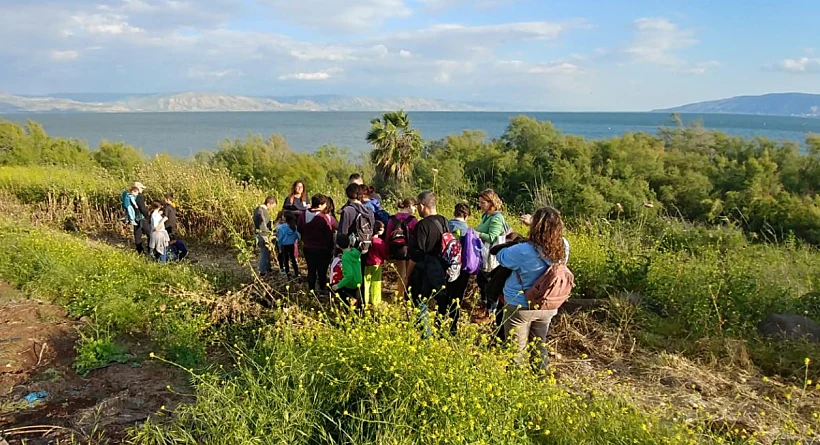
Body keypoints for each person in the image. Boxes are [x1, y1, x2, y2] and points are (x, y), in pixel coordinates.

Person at [497, 206, 570, 370]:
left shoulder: (523, 250)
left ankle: (515, 385)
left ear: (535, 226)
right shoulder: (563, 246)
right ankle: (540, 377)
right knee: (539, 345)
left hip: (521, 305)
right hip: (548, 304)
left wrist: (512, 240)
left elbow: (502, 258)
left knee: (516, 351)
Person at [408, 191, 449, 337]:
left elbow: (416, 254)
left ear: (423, 205)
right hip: (441, 268)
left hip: (424, 269)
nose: (417, 209)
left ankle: (425, 336)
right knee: (441, 301)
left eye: (417, 205)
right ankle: (442, 333)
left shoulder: (422, 225)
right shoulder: (444, 221)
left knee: (419, 301)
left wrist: (407, 275)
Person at [475, 189, 509, 320]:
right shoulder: (486, 216)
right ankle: (484, 307)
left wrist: (478, 234)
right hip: (483, 253)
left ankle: (491, 311)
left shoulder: (497, 217)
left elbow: (492, 237)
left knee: (489, 283)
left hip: (491, 256)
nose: (480, 205)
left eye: (483, 202)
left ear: (491, 203)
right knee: (481, 281)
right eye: (480, 202)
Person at [298, 194, 337, 294]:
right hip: (323, 249)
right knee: (322, 271)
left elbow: (299, 228)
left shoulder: (304, 215)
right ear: (321, 205)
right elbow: (329, 233)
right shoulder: (325, 217)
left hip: (308, 247)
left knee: (311, 270)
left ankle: (311, 290)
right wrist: (331, 247)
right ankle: (322, 290)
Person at [444, 203, 473, 334]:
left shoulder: (446, 226)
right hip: (462, 268)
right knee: (457, 297)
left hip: (446, 266)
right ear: (466, 215)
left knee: (444, 294)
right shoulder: (469, 230)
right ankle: (453, 327)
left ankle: (440, 322)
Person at [385, 198, 417, 299]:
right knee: (408, 273)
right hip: (409, 248)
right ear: (409, 206)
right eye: (414, 206)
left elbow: (387, 235)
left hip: (397, 248)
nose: (415, 209)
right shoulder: (413, 219)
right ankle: (406, 295)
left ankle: (400, 295)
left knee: (400, 272)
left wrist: (387, 250)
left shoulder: (393, 218)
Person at [338, 183, 375, 255]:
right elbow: (372, 228)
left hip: (350, 250)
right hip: (365, 248)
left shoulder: (347, 210)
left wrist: (338, 251)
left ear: (348, 195)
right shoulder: (369, 211)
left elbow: (343, 232)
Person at [332, 232, 363, 310]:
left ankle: (349, 307)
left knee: (336, 289)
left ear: (337, 246)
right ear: (349, 242)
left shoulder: (345, 257)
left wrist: (338, 285)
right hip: (358, 281)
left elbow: (349, 275)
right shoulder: (355, 251)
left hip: (350, 283)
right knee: (357, 304)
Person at [363, 221, 387, 308]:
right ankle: (375, 300)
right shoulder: (380, 242)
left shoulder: (367, 240)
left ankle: (364, 300)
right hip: (377, 264)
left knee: (366, 283)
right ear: (379, 231)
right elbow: (384, 253)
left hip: (366, 264)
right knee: (376, 282)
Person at [253, 196, 277, 276]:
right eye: (273, 206)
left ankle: (268, 269)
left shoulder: (258, 209)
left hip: (260, 234)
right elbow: (263, 225)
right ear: (269, 204)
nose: (272, 209)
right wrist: (266, 236)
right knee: (264, 253)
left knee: (267, 253)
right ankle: (262, 272)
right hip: (262, 235)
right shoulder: (262, 211)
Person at [128, 182, 150, 255]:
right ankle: (150, 250)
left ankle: (140, 252)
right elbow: (142, 208)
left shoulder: (130, 196)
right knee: (150, 234)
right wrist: (147, 216)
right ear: (137, 189)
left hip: (135, 218)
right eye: (141, 188)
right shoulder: (139, 197)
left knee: (137, 235)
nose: (142, 190)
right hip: (142, 218)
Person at [276, 212, 300, 278]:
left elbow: (280, 238)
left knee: (285, 260)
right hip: (291, 244)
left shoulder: (282, 227)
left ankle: (288, 273)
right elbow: (297, 235)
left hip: (284, 245)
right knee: (293, 259)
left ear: (286, 218)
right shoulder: (294, 226)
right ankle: (296, 272)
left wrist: (279, 246)